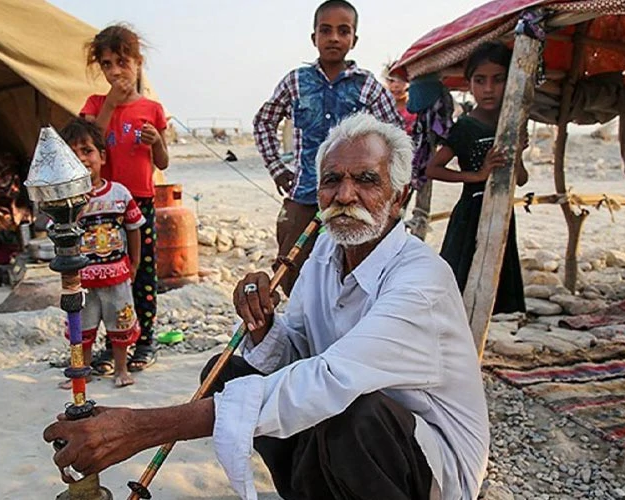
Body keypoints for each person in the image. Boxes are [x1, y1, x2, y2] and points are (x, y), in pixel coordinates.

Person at [44, 113, 490, 500]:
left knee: (355, 413)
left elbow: (328, 379)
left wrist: (142, 427)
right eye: (332, 180)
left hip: (427, 465)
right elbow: (298, 350)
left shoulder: (421, 279)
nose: (345, 196)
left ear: (397, 198)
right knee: (224, 372)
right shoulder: (322, 255)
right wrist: (264, 326)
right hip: (342, 430)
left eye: (367, 180)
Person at [253, 0, 404, 297]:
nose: (334, 38)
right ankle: (303, 323)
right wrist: (278, 169)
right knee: (292, 265)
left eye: (343, 31)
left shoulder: (367, 86)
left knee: (357, 261)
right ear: (314, 38)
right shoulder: (296, 81)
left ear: (353, 40)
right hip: (306, 192)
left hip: (355, 196)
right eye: (326, 30)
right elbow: (263, 122)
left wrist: (387, 186)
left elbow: (395, 136)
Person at [80, 23, 168, 372]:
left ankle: (143, 341)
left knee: (141, 273)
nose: (115, 71)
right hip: (102, 205)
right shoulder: (95, 104)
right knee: (104, 275)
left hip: (140, 202)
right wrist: (111, 107)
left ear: (137, 61)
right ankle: (111, 345)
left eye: (122, 61)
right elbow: (87, 146)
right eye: (106, 64)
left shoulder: (152, 109)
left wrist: (156, 142)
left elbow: (162, 162)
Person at [425, 41, 528, 314]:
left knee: (493, 281)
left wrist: (517, 153)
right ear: (469, 83)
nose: (489, 89)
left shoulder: (511, 124)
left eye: (497, 80)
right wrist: (477, 175)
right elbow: (433, 168)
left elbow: (521, 179)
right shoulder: (466, 126)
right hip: (471, 212)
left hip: (502, 212)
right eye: (480, 81)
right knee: (461, 280)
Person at [58, 118, 145, 388]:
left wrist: (135, 262)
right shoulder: (65, 200)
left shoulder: (119, 193)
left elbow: (134, 227)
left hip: (117, 275)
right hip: (80, 281)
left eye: (87, 151)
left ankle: (121, 369)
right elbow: (58, 233)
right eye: (72, 154)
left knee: (119, 324)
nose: (81, 159)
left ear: (102, 156)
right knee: (80, 329)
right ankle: (80, 370)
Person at [383, 64, 417, 134]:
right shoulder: (381, 110)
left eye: (400, 80)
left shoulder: (417, 110)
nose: (396, 85)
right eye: (391, 81)